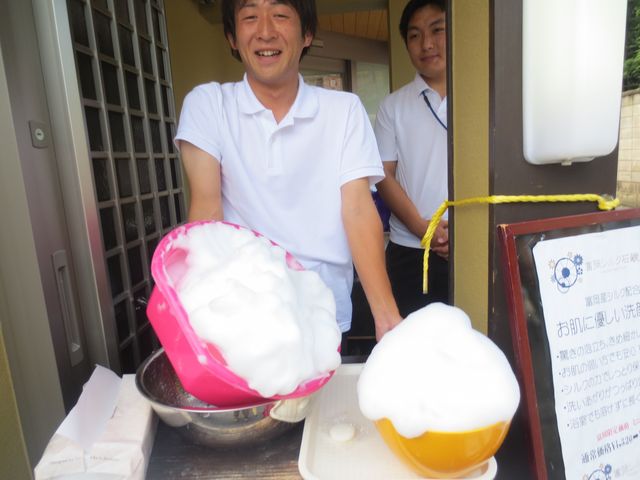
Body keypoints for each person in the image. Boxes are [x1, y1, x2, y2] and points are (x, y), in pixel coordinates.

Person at [174, 0, 402, 341]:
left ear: (307, 34)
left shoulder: (344, 110)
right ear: (232, 37)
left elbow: (357, 209)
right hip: (241, 312)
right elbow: (207, 214)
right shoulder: (209, 104)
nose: (265, 31)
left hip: (322, 310)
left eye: (280, 15)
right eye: (250, 17)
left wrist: (386, 316)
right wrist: (200, 322)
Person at [374, 0, 450, 318]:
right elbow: (383, 175)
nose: (427, 44)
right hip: (411, 250)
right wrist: (424, 229)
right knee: (413, 341)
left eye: (437, 30)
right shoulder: (392, 106)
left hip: (472, 245)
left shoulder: (481, 96)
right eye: (415, 35)